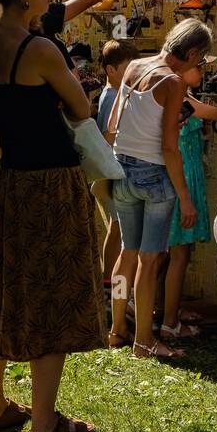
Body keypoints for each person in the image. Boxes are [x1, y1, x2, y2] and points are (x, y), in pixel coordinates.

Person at [0, 0, 107, 432]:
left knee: (4, 292)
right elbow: (81, 105)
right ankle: (45, 424)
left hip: (12, 181)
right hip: (52, 182)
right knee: (52, 297)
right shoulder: (41, 50)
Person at [106, 20, 209, 360]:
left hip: (122, 167)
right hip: (153, 175)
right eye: (200, 60)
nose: (199, 66)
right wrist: (185, 197)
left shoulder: (134, 65)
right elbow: (168, 147)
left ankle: (118, 329)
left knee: (127, 254)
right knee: (150, 262)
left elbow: (113, 125)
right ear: (192, 53)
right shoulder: (173, 81)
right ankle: (145, 340)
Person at [159, 66, 217, 342]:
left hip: (181, 179)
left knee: (174, 255)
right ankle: (170, 322)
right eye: (199, 64)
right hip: (182, 182)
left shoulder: (181, 99)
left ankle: (169, 310)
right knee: (179, 255)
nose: (204, 69)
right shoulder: (185, 101)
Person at [95, 38, 138, 282]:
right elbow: (108, 135)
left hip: (110, 169)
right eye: (127, 67)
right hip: (114, 169)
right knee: (121, 227)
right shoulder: (114, 95)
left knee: (115, 226)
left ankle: (108, 279)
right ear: (111, 70)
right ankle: (114, 282)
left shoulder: (112, 92)